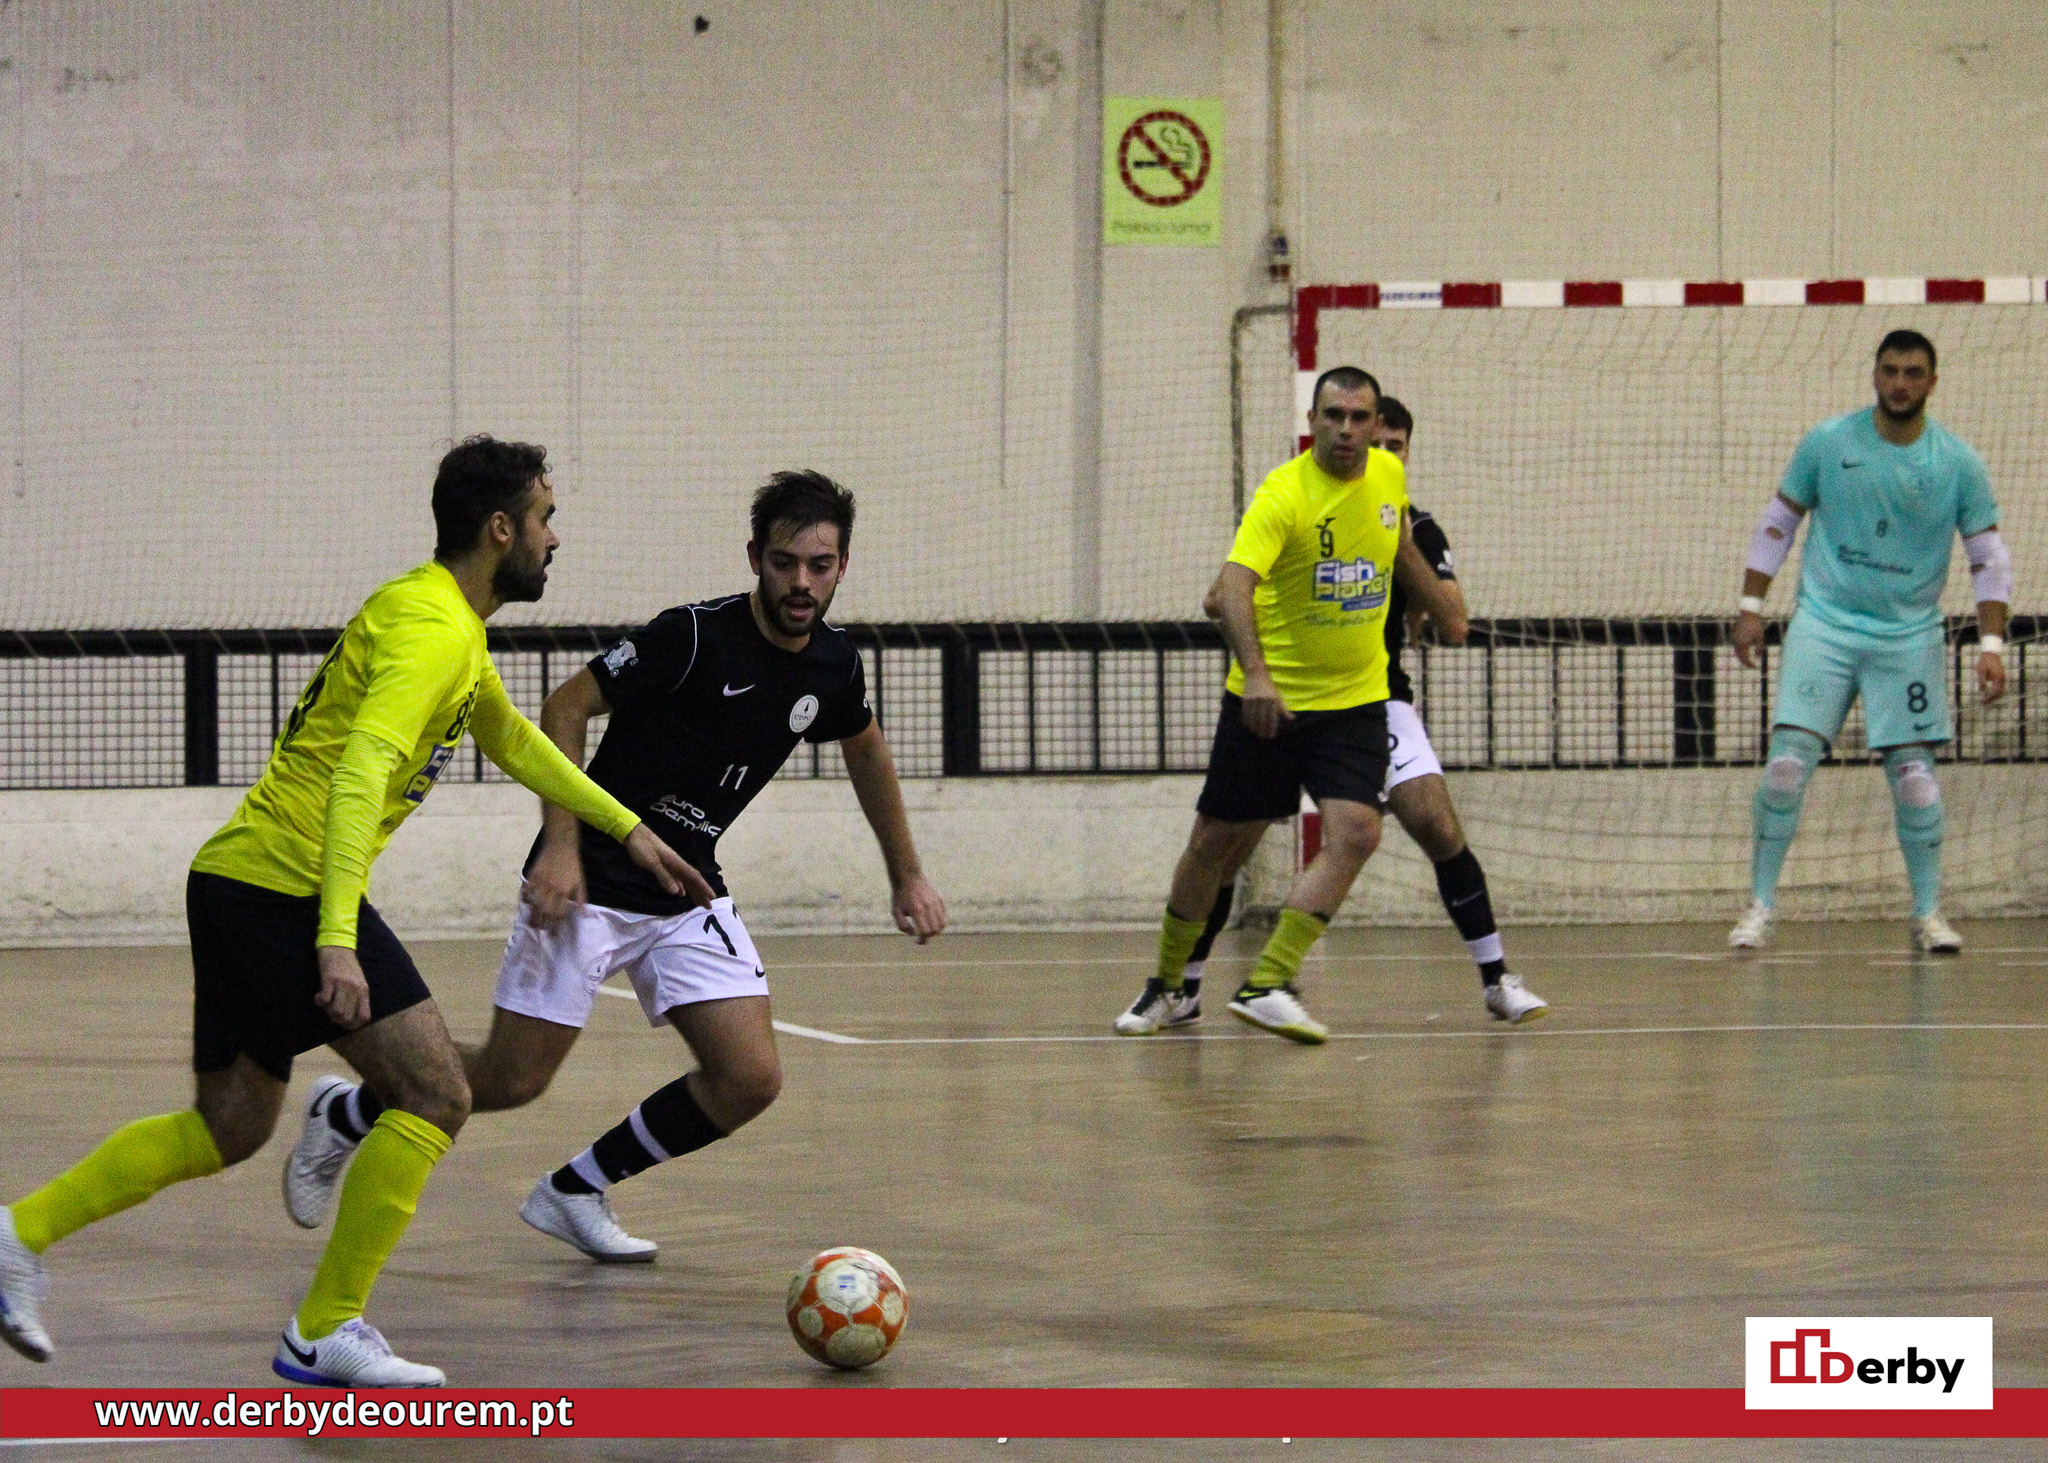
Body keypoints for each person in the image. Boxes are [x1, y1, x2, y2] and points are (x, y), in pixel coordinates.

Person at [0, 437, 711, 1386]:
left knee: (230, 1124)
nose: (554, 537)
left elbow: (511, 736)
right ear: (501, 530)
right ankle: (323, 1329)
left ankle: (17, 1236)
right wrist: (338, 937)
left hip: (243, 879)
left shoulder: (440, 618)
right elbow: (358, 777)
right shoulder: (431, 629)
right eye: (545, 517)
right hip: (283, 888)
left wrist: (627, 830)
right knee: (438, 1091)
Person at [283, 470, 947, 1262]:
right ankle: (347, 1113)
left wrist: (906, 872)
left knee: (750, 1076)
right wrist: (561, 846)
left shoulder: (834, 665)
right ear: (754, 557)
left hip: (685, 880)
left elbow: (865, 745)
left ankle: (576, 1187)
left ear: (843, 566)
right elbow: (565, 705)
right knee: (509, 1079)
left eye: (819, 565)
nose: (800, 582)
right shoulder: (692, 636)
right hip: (592, 877)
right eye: (783, 562)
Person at [1162, 398, 1549, 1024]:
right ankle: (1187, 985)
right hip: (1292, 694)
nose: (1379, 454)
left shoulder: (1413, 526)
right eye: (1374, 442)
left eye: (1393, 446)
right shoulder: (1299, 502)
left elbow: (1455, 621)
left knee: (1436, 824)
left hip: (1376, 700)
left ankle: (1497, 977)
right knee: (1231, 838)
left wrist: (1397, 548)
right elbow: (1220, 594)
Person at [1112, 366, 1452, 1044]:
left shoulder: (1389, 481)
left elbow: (1395, 548)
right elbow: (1232, 588)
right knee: (1216, 843)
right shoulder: (1284, 493)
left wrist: (1430, 607)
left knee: (1358, 830)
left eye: (1361, 418)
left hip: (1356, 699)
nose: (1349, 431)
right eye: (1335, 417)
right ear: (1314, 421)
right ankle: (1169, 984)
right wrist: (1258, 674)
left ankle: (1269, 980)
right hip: (1274, 700)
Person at [1728, 329, 2009, 952]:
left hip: (1907, 636)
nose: (1900, 383)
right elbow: (1779, 522)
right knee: (1785, 767)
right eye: (1890, 371)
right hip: (1824, 627)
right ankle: (1759, 905)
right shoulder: (1829, 443)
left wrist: (1992, 645)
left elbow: (1987, 554)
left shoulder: (1959, 462)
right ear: (1874, 375)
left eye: (1913, 373)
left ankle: (1928, 913)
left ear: (1932, 382)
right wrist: (1752, 605)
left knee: (1915, 778)